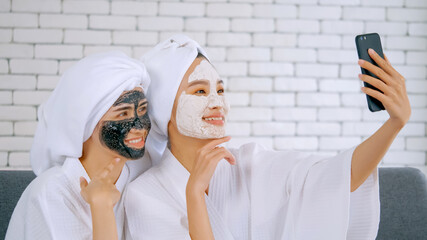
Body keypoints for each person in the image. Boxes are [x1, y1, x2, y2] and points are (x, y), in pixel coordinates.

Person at [125, 35, 411, 240]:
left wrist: (394, 124)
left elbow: (334, 177)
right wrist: (194, 194)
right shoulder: (145, 196)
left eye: (221, 91)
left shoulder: (250, 162)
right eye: (200, 91)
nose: (217, 103)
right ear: (165, 110)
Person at [6, 51, 153, 240]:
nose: (139, 126)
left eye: (142, 110)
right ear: (87, 122)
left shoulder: (138, 179)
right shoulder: (51, 191)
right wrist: (102, 208)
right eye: (122, 114)